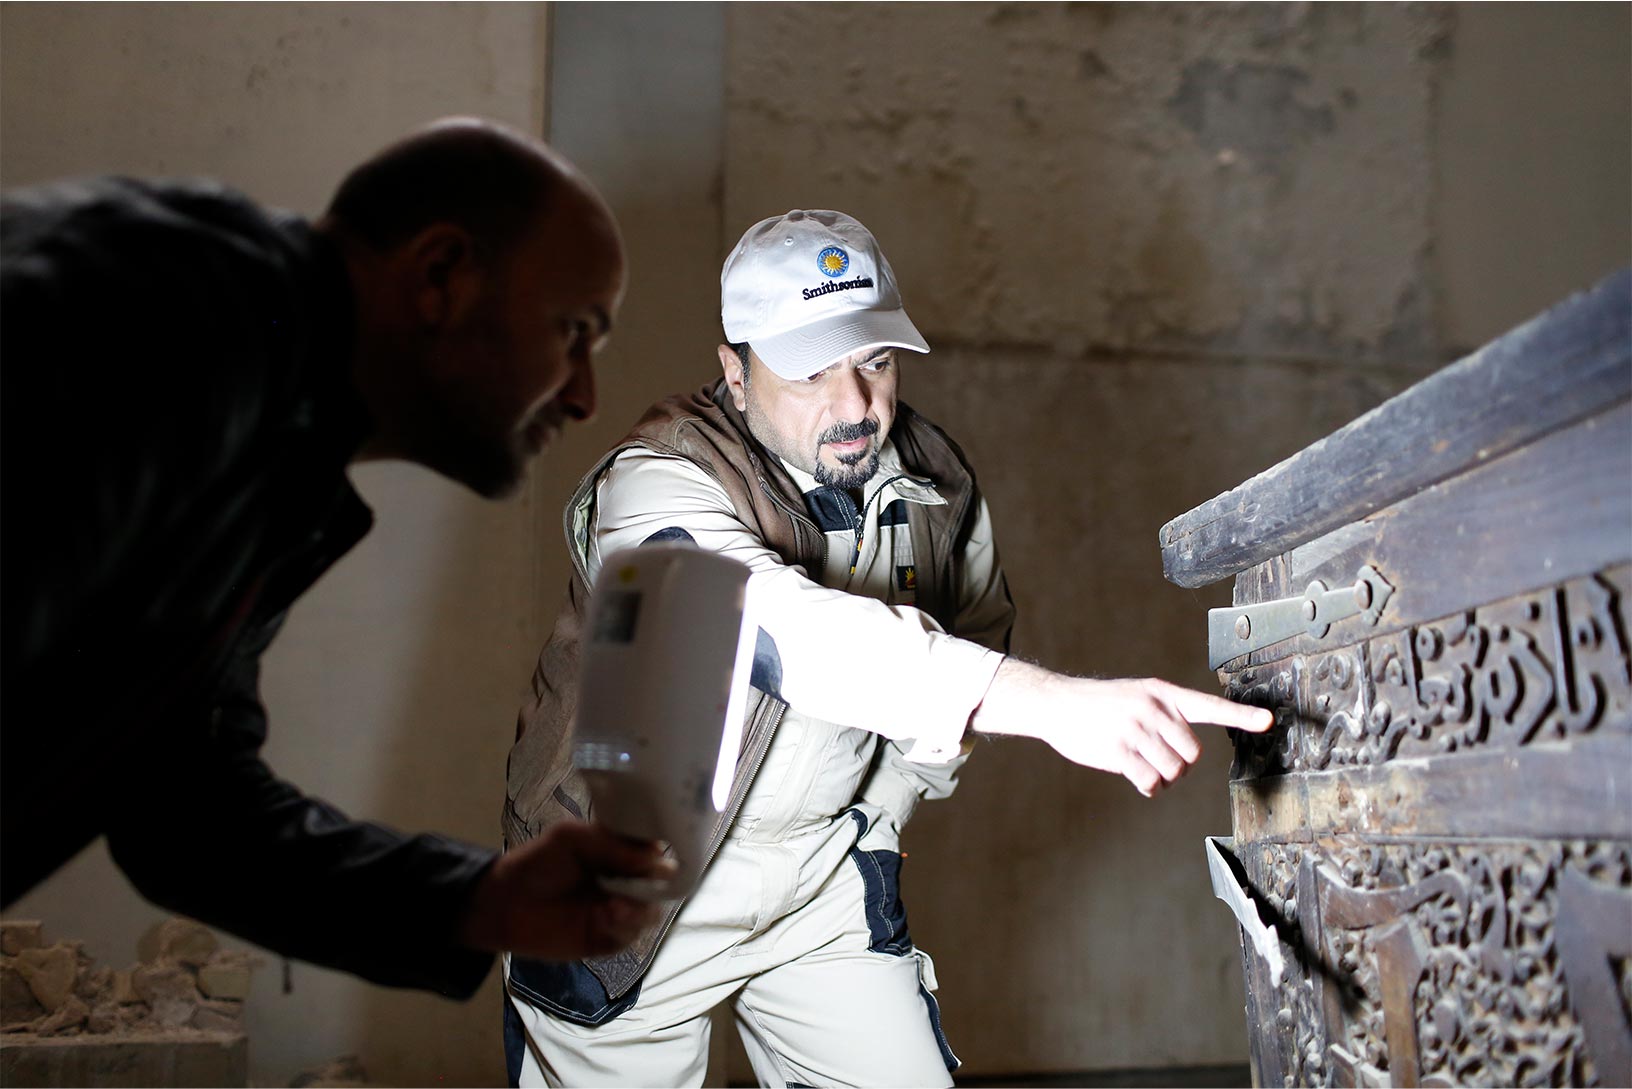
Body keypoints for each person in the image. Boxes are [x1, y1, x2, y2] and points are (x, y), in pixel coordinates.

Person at [500, 209, 1272, 1085]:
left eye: (874, 360)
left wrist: (885, 811)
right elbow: (772, 624)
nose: (857, 405)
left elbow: (976, 623)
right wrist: (1055, 703)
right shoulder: (654, 483)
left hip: (821, 879)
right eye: (811, 371)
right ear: (736, 374)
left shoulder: (936, 480)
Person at [0, 117, 675, 999]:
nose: (584, 394)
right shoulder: (167, 313)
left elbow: (180, 807)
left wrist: (476, 899)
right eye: (574, 329)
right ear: (440, 277)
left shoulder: (267, 414)